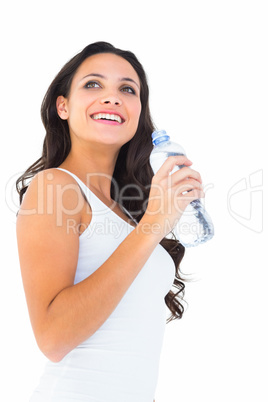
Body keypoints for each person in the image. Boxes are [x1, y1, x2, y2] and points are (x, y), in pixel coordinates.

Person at [16, 41, 204, 402]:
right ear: (63, 106)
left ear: (138, 112)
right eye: (92, 84)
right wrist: (153, 224)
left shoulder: (129, 209)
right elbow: (53, 339)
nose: (112, 97)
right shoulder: (55, 187)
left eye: (127, 89)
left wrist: (155, 218)